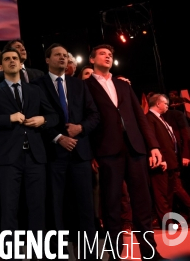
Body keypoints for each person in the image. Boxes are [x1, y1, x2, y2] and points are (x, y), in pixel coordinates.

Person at [84, 44, 165, 260]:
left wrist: (154, 146)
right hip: (107, 151)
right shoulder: (84, 86)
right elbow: (87, 121)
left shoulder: (124, 85)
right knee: (111, 206)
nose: (108, 56)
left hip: (135, 148)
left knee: (142, 203)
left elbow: (140, 118)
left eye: (110, 54)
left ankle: (150, 252)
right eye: (102, 53)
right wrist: (92, 153)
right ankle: (115, 254)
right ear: (92, 60)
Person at [0, 47, 58, 242]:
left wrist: (42, 120)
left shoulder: (35, 90)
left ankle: (38, 252)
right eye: (7, 59)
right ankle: (10, 252)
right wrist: (8, 118)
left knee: (37, 206)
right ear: (1, 65)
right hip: (8, 158)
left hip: (36, 157)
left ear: (21, 63)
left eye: (15, 58)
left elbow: (54, 117)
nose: (12, 61)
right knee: (9, 206)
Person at [31, 44, 100, 257]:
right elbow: (34, 117)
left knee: (85, 207)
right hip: (53, 155)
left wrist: (80, 128)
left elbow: (94, 115)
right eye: (58, 55)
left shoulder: (78, 85)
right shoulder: (37, 85)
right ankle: (58, 253)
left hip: (80, 153)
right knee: (56, 207)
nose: (63, 58)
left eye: (65, 55)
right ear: (47, 59)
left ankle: (89, 253)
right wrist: (58, 137)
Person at [146, 94, 190, 226]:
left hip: (171, 162)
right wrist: (162, 159)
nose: (167, 106)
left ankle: (168, 220)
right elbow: (152, 140)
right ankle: (166, 223)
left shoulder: (160, 118)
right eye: (165, 104)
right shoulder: (149, 118)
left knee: (169, 193)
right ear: (158, 104)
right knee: (162, 194)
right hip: (162, 162)